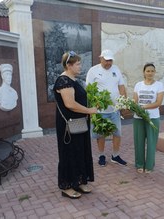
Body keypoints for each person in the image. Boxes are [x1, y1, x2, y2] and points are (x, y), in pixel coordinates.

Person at [53, 51, 97, 199]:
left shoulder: (73, 79)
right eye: (78, 64)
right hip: (69, 125)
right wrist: (89, 110)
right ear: (68, 65)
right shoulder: (63, 81)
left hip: (79, 123)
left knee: (81, 151)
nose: (80, 66)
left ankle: (79, 180)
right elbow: (70, 104)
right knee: (69, 153)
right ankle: (67, 186)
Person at [86, 49, 127, 167]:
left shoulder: (116, 69)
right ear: (101, 58)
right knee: (101, 134)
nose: (109, 63)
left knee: (117, 133)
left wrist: (124, 103)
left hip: (114, 110)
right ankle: (101, 155)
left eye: (110, 60)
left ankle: (115, 155)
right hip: (99, 111)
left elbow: (122, 87)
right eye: (106, 60)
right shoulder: (93, 71)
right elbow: (89, 91)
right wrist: (92, 108)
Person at [133, 63, 164, 173]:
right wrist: (133, 107)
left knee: (151, 141)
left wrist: (144, 107)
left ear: (155, 72)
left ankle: (149, 166)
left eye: (152, 71)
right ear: (144, 72)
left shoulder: (159, 85)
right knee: (139, 141)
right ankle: (139, 164)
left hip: (153, 117)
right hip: (138, 117)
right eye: (148, 71)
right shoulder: (138, 85)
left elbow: (158, 103)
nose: (150, 73)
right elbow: (135, 101)